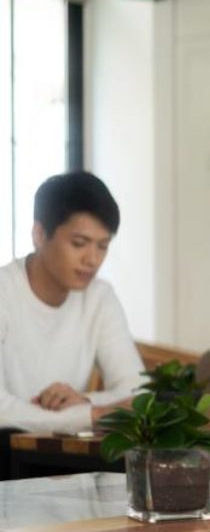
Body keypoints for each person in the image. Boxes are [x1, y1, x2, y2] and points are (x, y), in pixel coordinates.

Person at [0, 172, 144, 434]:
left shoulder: (99, 296)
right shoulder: (5, 291)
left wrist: (87, 402)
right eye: (79, 243)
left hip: (61, 451)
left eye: (103, 246)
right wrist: (90, 416)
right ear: (40, 234)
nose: (92, 259)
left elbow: (138, 391)